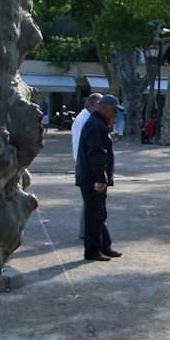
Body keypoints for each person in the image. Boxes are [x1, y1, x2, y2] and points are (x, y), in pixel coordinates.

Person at [75, 95, 124, 262]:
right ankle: (92, 250)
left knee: (100, 213)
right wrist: (101, 179)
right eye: (114, 109)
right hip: (91, 178)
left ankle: (104, 246)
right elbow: (96, 154)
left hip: (93, 176)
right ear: (104, 107)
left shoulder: (99, 123)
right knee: (94, 214)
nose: (116, 113)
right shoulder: (96, 124)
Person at [72, 93, 103, 240]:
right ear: (90, 106)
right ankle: (85, 231)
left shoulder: (89, 119)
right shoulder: (83, 120)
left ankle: (87, 230)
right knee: (89, 201)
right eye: (98, 106)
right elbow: (80, 145)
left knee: (91, 202)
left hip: (86, 163)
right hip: (85, 165)